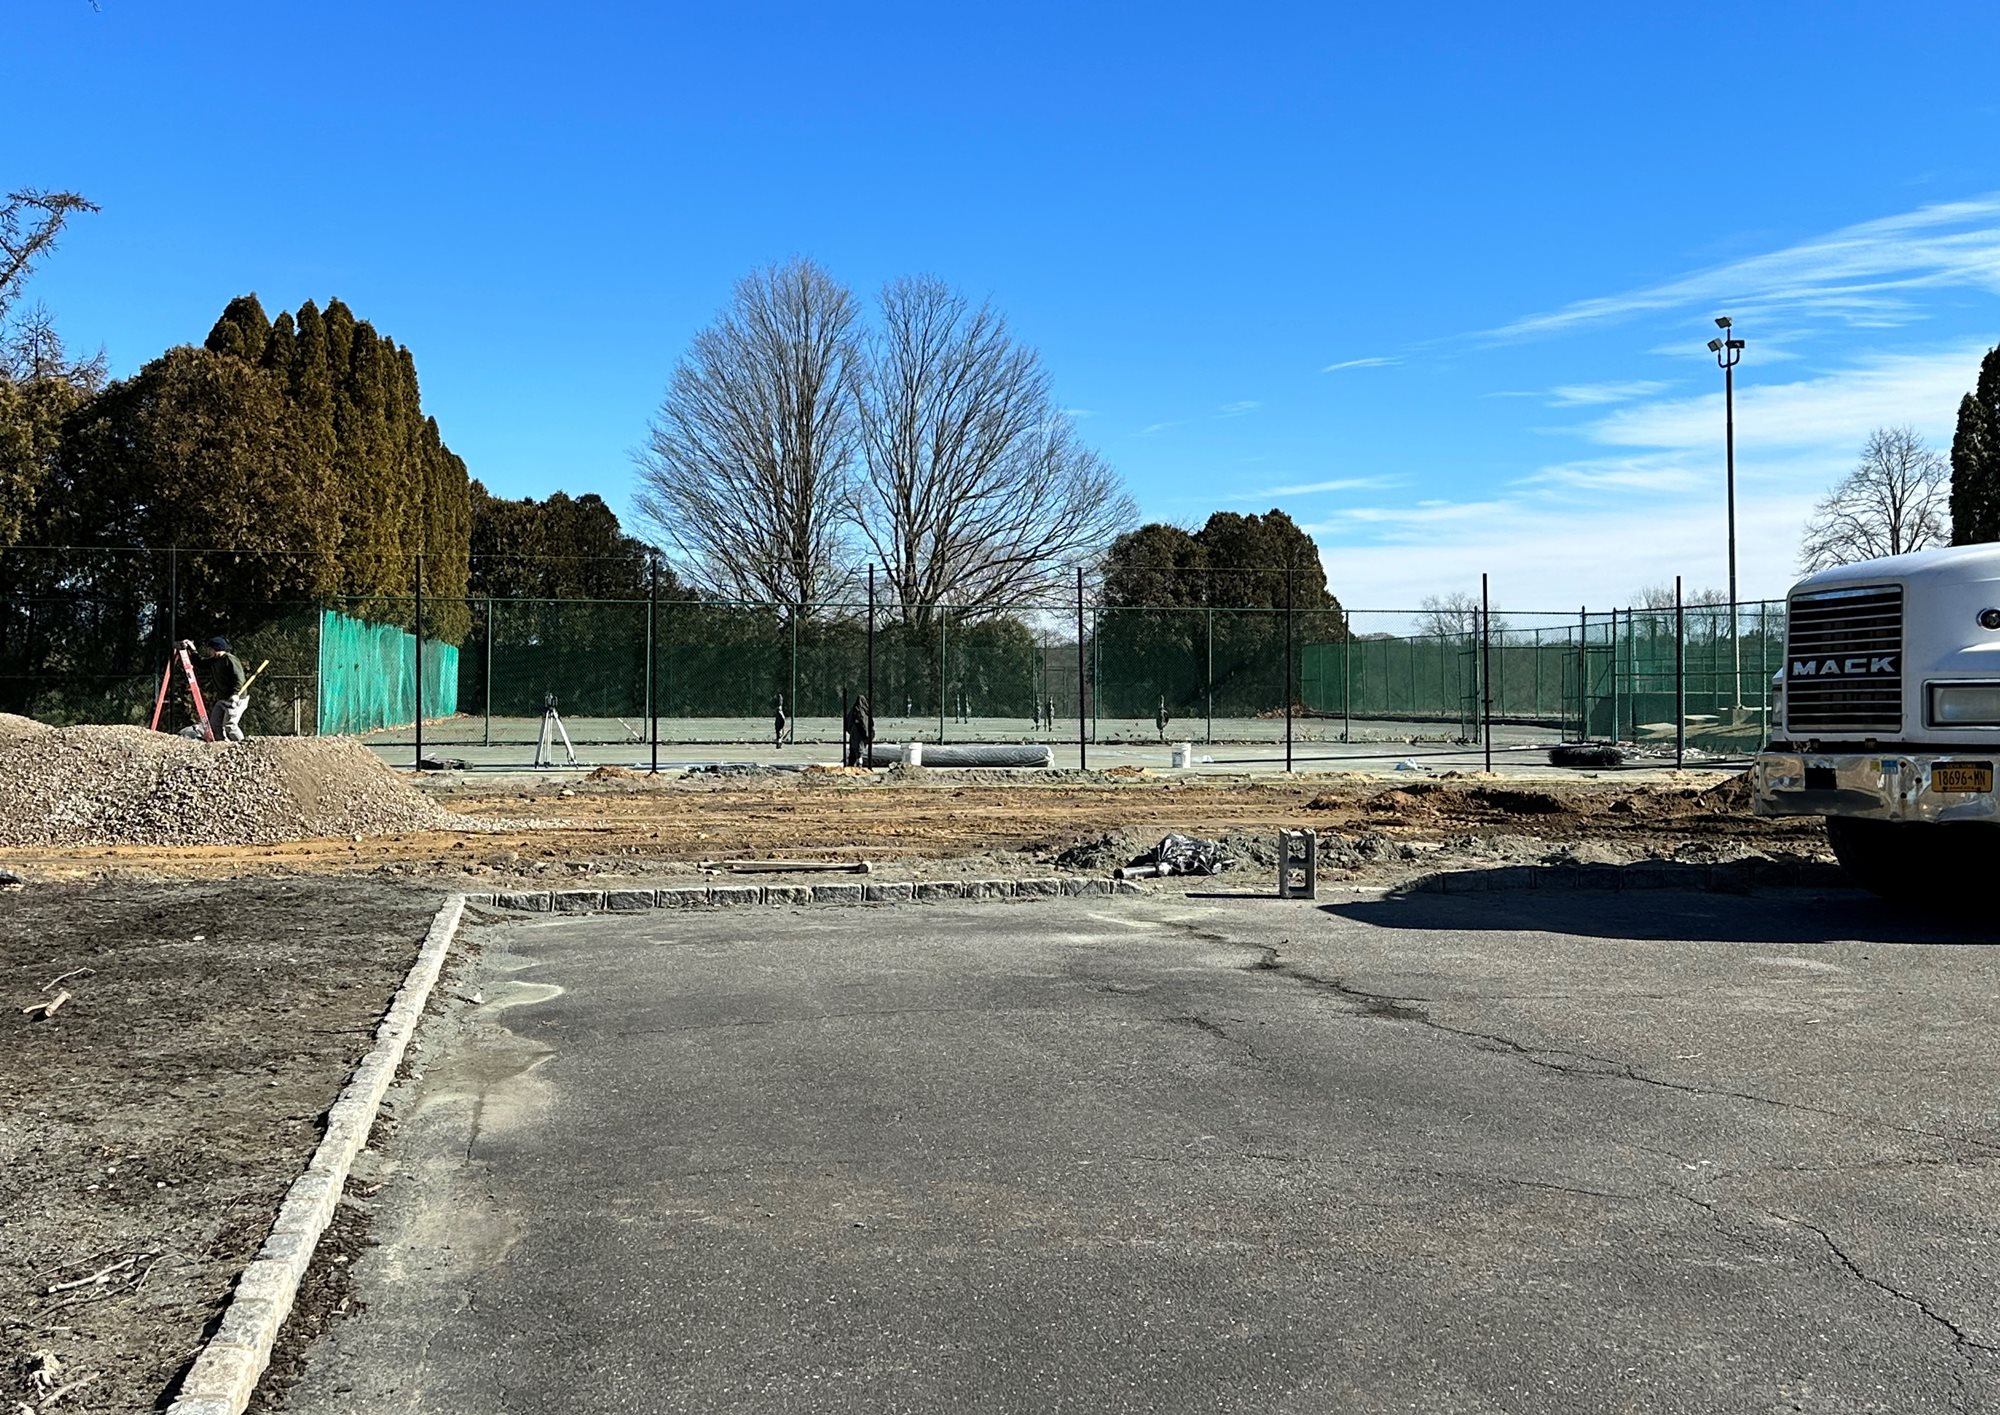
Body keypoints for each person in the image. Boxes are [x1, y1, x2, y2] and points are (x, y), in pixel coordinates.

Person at [179, 637, 250, 742]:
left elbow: (239, 678)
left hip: (236, 699)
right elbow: (200, 663)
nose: (208, 651)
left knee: (230, 725)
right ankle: (220, 744)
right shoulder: (214, 661)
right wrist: (192, 649)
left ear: (216, 649)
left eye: (210, 649)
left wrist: (236, 694)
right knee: (215, 724)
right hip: (223, 698)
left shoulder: (230, 659)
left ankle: (243, 745)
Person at [843, 694, 875, 767]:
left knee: (855, 748)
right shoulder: (865, 711)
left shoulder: (855, 711)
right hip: (861, 732)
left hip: (856, 732)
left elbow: (848, 722)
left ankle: (855, 763)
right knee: (859, 748)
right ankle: (858, 764)